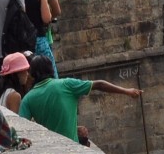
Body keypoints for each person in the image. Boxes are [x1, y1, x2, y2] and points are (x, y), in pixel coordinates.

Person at [8, 54, 140, 143]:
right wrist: (127, 91)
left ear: (33, 74)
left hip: (50, 149)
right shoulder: (66, 84)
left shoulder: (28, 98)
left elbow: (21, 129)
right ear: (51, 70)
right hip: (72, 147)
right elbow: (99, 84)